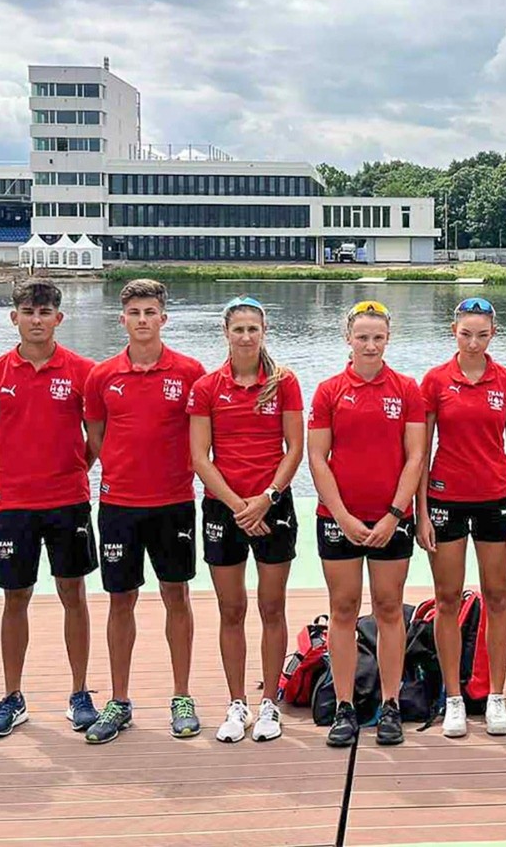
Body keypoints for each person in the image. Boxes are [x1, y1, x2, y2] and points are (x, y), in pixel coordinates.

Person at [81, 279, 206, 744]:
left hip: (173, 502)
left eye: (150, 312)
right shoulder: (101, 376)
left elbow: (200, 436)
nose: (142, 321)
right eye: (134, 313)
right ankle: (119, 700)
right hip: (118, 504)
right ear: (123, 320)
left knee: (177, 595)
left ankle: (181, 695)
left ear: (163, 319)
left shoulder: (191, 372)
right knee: (121, 599)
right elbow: (96, 435)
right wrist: (119, 467)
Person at [0, 280, 100, 739]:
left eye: (45, 311)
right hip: (13, 503)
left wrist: (71, 469)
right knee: (15, 597)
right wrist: (15, 471)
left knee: (74, 594)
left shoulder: (84, 371)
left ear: (58, 319)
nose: (37, 319)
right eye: (28, 311)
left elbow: (96, 436)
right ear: (15, 317)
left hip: (68, 501)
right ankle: (12, 697)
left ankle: (80, 693)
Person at [308, 300, 427, 748]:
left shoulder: (407, 389)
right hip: (339, 518)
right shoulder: (328, 390)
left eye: (378, 337)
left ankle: (391, 704)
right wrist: (341, 514)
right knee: (342, 609)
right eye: (363, 337)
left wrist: (394, 515)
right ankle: (344, 706)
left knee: (389, 609)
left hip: (390, 519)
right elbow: (318, 458)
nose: (370, 345)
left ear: (388, 339)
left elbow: (416, 455)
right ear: (349, 339)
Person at [189, 296, 304, 744]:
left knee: (271, 607)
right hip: (225, 507)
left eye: (253, 329)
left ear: (264, 331)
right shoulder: (206, 387)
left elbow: (293, 448)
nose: (245, 337)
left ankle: (270, 704)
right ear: (226, 333)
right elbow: (200, 456)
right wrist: (240, 505)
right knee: (231, 609)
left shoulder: (284, 382)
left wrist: (267, 498)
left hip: (273, 504)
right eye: (238, 329)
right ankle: (237, 703)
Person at [417, 296, 506, 737]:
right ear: (454, 331)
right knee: (447, 599)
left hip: (496, 499)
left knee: (496, 596)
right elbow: (420, 452)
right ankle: (454, 697)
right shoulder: (435, 381)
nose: (474, 342)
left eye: (482, 334)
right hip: (445, 498)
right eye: (466, 333)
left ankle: (495, 695)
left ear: (493, 334)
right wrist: (421, 512)